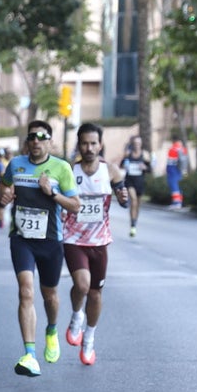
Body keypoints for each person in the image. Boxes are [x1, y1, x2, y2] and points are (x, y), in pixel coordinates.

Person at [0, 120, 81, 377]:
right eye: (32, 137)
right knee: (26, 292)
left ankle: (52, 329)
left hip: (50, 241)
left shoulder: (61, 167)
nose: (36, 141)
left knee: (50, 296)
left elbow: (75, 205)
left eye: (42, 137)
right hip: (21, 239)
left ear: (49, 142)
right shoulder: (16, 164)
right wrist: (4, 194)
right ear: (27, 141)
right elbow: (3, 184)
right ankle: (30, 354)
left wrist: (52, 193)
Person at [62, 123, 129, 366]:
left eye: (93, 143)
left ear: (100, 145)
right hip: (73, 239)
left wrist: (123, 198)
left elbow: (124, 201)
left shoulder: (111, 171)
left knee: (96, 293)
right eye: (84, 143)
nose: (89, 148)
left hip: (99, 241)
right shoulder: (69, 170)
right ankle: (76, 315)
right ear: (78, 145)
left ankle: (89, 337)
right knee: (82, 285)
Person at [119, 136, 151, 237]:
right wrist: (124, 165)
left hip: (140, 182)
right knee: (133, 200)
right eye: (135, 143)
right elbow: (121, 165)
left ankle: (134, 222)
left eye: (138, 143)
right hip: (130, 181)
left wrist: (145, 167)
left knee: (138, 205)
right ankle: (132, 225)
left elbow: (150, 169)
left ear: (141, 144)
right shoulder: (128, 154)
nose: (137, 145)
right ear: (132, 144)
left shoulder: (145, 155)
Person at [166, 135, 189, 207]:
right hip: (180, 169)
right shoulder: (183, 149)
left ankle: (176, 202)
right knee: (178, 185)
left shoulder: (172, 149)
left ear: (173, 140)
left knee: (173, 185)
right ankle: (180, 202)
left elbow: (170, 161)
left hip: (172, 169)